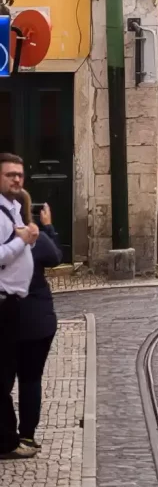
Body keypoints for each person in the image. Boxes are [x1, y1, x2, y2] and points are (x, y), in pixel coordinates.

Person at [16, 189, 62, 452]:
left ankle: (9, 437)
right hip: (37, 320)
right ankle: (27, 437)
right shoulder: (38, 239)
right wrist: (49, 226)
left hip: (14, 318)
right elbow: (56, 257)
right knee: (30, 379)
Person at [0, 153, 39, 460]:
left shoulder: (13, 208)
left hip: (13, 305)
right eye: (10, 174)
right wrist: (22, 240)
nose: (16, 179)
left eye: (19, 175)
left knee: (7, 374)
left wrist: (32, 237)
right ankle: (6, 441)